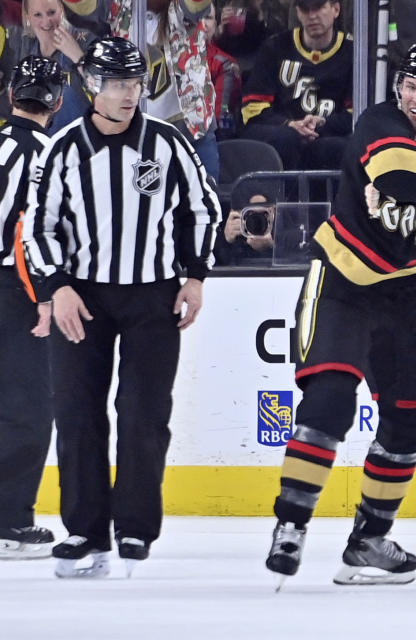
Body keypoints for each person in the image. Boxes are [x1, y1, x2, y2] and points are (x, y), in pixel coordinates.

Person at [264, 41, 416, 588]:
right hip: (341, 280)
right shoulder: (379, 121)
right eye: (411, 85)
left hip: (402, 293)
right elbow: (398, 179)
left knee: (413, 413)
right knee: (330, 401)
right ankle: (290, 527)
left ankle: (367, 540)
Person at [21, 36, 220, 579]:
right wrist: (56, 287)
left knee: (143, 414)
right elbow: (37, 225)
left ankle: (134, 527)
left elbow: (203, 210)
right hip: (81, 298)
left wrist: (195, 276)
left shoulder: (168, 143)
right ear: (91, 86)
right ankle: (85, 529)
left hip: (152, 296)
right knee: (78, 414)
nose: (127, 94)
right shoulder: (61, 149)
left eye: (134, 83)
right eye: (115, 84)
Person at [0, 55, 63, 559]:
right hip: (16, 290)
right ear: (58, 103)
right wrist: (44, 297)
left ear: (10, 97)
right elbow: (29, 236)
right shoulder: (50, 153)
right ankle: (9, 521)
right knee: (27, 409)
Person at [63, 0, 221, 181]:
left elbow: (195, 6)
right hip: (133, 132)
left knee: (204, 202)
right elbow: (85, 8)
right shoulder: (119, 6)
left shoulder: (181, 7)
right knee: (135, 206)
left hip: (191, 132)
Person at [239, 0, 352, 170]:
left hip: (329, 133)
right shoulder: (274, 47)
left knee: (338, 146)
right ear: (298, 13)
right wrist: (289, 125)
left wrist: (321, 123)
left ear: (336, 9)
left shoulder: (352, 51)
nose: (312, 16)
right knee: (284, 138)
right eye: (305, 9)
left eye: (319, 7)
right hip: (283, 132)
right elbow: (252, 108)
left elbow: (357, 113)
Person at [0, 0, 92, 132]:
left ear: (61, 9)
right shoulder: (18, 44)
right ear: (27, 16)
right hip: (33, 144)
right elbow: (8, 104)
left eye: (51, 13)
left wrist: (78, 57)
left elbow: (104, 92)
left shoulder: (85, 41)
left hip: (75, 145)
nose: (46, 22)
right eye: (37, 15)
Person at [201, 4, 242, 139]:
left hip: (209, 137)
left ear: (215, 25)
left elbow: (220, 119)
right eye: (194, 19)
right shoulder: (163, 60)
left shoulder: (225, 64)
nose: (202, 24)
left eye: (208, 18)